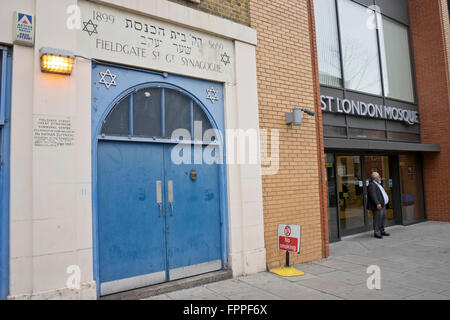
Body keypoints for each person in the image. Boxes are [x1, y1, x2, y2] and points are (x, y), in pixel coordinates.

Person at [367, 172, 390, 239]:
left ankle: (382, 231)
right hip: (378, 205)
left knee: (383, 218)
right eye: (379, 177)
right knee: (377, 219)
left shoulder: (378, 184)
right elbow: (373, 195)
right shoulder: (372, 185)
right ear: (375, 178)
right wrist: (377, 203)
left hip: (383, 205)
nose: (380, 178)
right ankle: (377, 233)